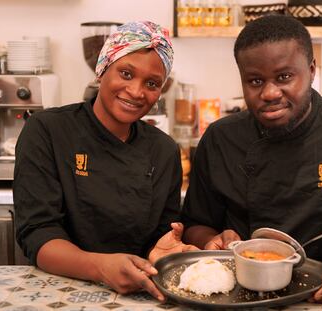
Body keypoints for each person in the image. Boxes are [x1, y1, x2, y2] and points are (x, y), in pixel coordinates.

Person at [181, 15, 322, 303]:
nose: (269, 93)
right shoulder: (220, 139)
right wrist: (211, 241)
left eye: (284, 77)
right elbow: (195, 224)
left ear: (312, 70)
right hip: (239, 298)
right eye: (255, 81)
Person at [14, 21, 197, 302]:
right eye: (126, 73)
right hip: (55, 292)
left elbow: (157, 235)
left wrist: (161, 253)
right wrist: (101, 267)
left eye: (151, 83)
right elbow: (37, 233)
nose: (136, 92)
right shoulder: (48, 130)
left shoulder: (163, 151)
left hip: (136, 292)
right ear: (102, 70)